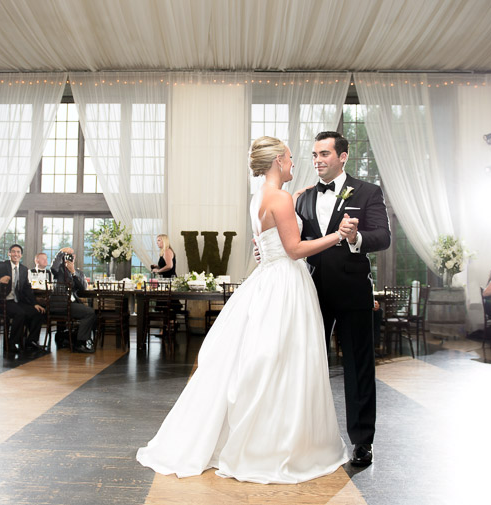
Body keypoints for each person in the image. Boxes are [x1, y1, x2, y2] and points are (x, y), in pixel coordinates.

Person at [137, 136, 351, 484]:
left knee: (265, 358)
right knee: (284, 361)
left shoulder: (261, 197)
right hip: (285, 283)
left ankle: (259, 435)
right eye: (291, 159)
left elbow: (274, 234)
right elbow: (295, 249)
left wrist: (301, 196)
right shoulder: (279, 198)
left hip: (267, 279)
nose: (294, 164)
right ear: (278, 161)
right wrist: (337, 236)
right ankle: (273, 443)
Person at [298, 131, 391, 466]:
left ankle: (362, 442)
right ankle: (307, 438)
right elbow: (295, 239)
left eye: (324, 154)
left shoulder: (367, 192)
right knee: (308, 366)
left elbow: (383, 236)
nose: (318, 161)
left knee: (359, 368)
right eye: (314, 155)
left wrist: (357, 237)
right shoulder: (304, 197)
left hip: (353, 292)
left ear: (343, 156)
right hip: (311, 293)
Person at [0, 244, 45, 353]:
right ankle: (12, 344)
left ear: (21, 255)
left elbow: (27, 289)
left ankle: (31, 341)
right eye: (13, 252)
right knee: (20, 313)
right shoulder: (1, 266)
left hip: (16, 301)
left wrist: (34, 303)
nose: (16, 254)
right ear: (9, 254)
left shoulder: (24, 269)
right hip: (2, 301)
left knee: (37, 312)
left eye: (18, 252)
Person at [50, 247, 96, 353]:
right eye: (68, 256)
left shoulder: (78, 273)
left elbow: (82, 287)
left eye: (72, 256)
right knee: (89, 313)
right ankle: (80, 343)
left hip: (71, 303)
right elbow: (53, 267)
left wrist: (73, 272)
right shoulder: (59, 270)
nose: (70, 258)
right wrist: (61, 252)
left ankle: (74, 339)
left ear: (74, 258)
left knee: (90, 313)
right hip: (60, 304)